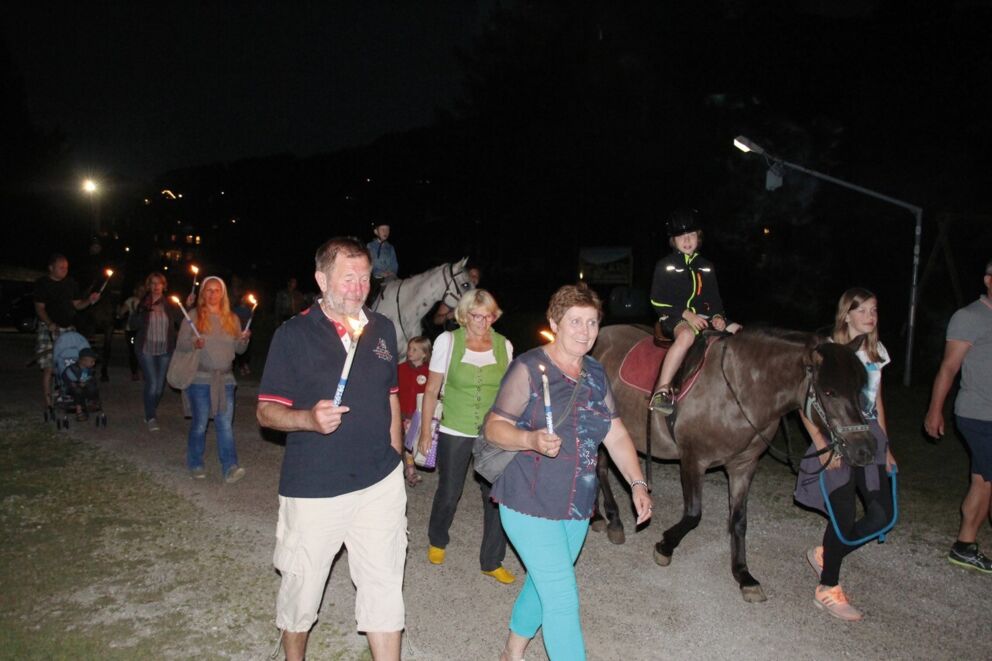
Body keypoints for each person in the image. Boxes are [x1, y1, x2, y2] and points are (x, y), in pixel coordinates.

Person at [484, 283, 652, 661]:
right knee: (562, 596)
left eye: (592, 322)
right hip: (528, 499)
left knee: (544, 584)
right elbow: (494, 427)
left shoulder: (594, 373)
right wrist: (529, 440)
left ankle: (512, 651)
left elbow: (615, 431)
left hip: (577, 503)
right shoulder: (528, 367)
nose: (585, 330)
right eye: (575, 321)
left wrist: (638, 483)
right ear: (555, 323)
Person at [257, 237, 405, 661]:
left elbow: (391, 395)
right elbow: (266, 412)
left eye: (364, 278)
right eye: (348, 278)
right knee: (302, 587)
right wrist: (307, 419)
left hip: (379, 482)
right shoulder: (294, 334)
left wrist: (395, 456)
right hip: (315, 487)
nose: (358, 288)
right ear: (322, 279)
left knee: (383, 584)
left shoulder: (382, 328)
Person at [794, 288, 896, 622]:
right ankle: (827, 588)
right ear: (846, 314)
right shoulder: (826, 351)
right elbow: (806, 406)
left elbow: (876, 401)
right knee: (843, 515)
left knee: (883, 515)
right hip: (836, 438)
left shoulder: (876, 351)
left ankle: (828, 553)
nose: (870, 315)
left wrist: (887, 446)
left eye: (874, 309)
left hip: (869, 438)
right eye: (862, 309)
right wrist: (824, 445)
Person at [418, 289, 515, 584]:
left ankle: (491, 560)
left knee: (496, 497)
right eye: (476, 315)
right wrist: (425, 432)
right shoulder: (447, 341)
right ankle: (437, 538)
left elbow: (511, 394)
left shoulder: (504, 346)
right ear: (464, 314)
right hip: (455, 427)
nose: (482, 321)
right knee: (449, 491)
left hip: (491, 432)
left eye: (488, 315)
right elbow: (432, 390)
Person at [924, 258, 992, 574]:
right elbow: (949, 367)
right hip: (978, 413)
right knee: (986, 479)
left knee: (983, 479)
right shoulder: (969, 317)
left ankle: (965, 546)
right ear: (988, 280)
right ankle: (964, 544)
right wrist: (935, 410)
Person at [648, 209, 735, 415]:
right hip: (673, 316)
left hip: (703, 317)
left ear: (699, 237)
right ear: (673, 240)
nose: (687, 240)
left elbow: (714, 300)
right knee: (686, 336)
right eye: (681, 236)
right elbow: (656, 299)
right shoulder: (665, 266)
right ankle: (661, 391)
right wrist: (686, 314)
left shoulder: (706, 267)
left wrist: (718, 317)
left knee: (738, 330)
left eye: (692, 235)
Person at [177, 276, 250, 483]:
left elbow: (239, 349)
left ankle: (230, 466)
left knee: (224, 424)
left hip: (225, 379)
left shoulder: (232, 319)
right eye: (208, 290)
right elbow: (181, 345)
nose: (212, 294)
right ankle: (195, 463)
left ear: (223, 294)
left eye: (216, 290)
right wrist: (193, 342)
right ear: (203, 293)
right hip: (200, 378)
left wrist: (244, 340)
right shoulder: (193, 316)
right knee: (200, 423)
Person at [34, 253, 100, 409]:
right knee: (50, 366)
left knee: (70, 363)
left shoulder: (71, 283)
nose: (65, 270)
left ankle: (69, 396)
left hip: (68, 328)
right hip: (49, 328)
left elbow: (77, 305)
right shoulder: (42, 283)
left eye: (66, 267)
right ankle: (48, 402)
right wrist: (49, 323)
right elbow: (39, 308)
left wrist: (89, 301)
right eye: (61, 267)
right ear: (51, 268)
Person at [133, 272, 186, 432]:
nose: (156, 287)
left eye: (159, 283)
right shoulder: (143, 303)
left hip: (165, 349)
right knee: (153, 383)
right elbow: (132, 324)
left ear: (164, 286)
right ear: (148, 286)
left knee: (159, 386)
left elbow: (184, 319)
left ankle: (150, 409)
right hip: (146, 349)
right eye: (153, 283)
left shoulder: (169, 304)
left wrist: (189, 305)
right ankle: (151, 417)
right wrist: (144, 311)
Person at [398, 335, 431, 486]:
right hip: (400, 413)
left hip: (418, 415)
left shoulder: (429, 372)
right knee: (401, 444)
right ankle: (403, 470)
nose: (410, 352)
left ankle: (411, 469)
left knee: (411, 444)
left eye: (415, 349)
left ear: (424, 353)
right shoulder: (400, 369)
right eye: (409, 348)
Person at [428, 265, 482, 338]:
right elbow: (436, 320)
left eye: (476, 276)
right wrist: (449, 315)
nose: (473, 277)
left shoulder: (481, 300)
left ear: (478, 281)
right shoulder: (454, 296)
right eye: (471, 275)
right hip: (453, 339)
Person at [63, 347, 100, 421]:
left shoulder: (89, 370)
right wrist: (73, 383)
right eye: (92, 361)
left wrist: (87, 382)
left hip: (85, 387)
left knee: (93, 388)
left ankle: (90, 402)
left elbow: (91, 378)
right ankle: (79, 410)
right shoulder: (72, 369)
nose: (94, 363)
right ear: (83, 361)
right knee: (78, 390)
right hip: (73, 388)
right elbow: (66, 377)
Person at [118, 284, 144, 381]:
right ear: (135, 291)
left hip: (142, 331)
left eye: (144, 290)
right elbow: (121, 312)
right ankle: (134, 372)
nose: (142, 293)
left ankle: (142, 371)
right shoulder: (131, 300)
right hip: (132, 330)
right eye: (140, 290)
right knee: (133, 351)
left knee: (141, 351)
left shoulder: (147, 301)